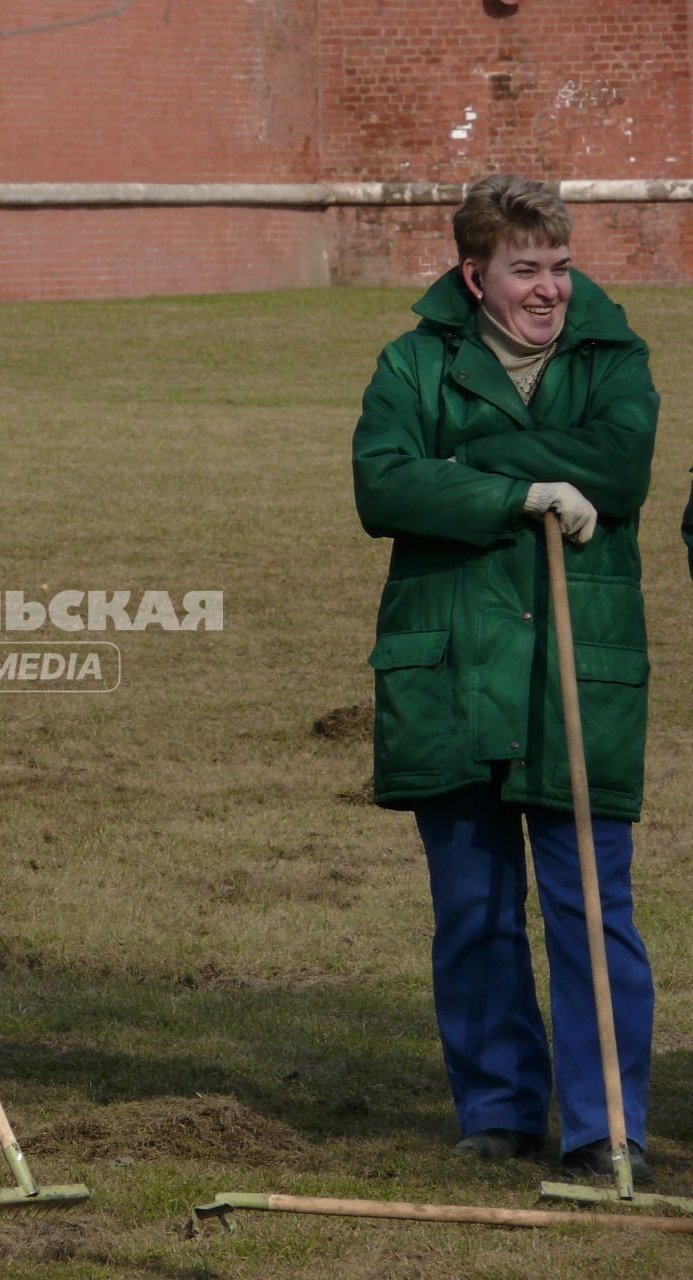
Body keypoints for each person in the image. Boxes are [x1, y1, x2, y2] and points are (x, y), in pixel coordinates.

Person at [352, 174, 658, 1180]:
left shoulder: (615, 356)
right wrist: (521, 486)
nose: (551, 290)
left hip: (580, 673)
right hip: (451, 673)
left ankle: (605, 1122)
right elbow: (383, 482)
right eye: (527, 269)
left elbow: (619, 470)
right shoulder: (411, 361)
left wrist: (470, 449)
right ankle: (498, 1106)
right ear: (475, 274)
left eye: (561, 267)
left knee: (589, 905)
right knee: (474, 908)